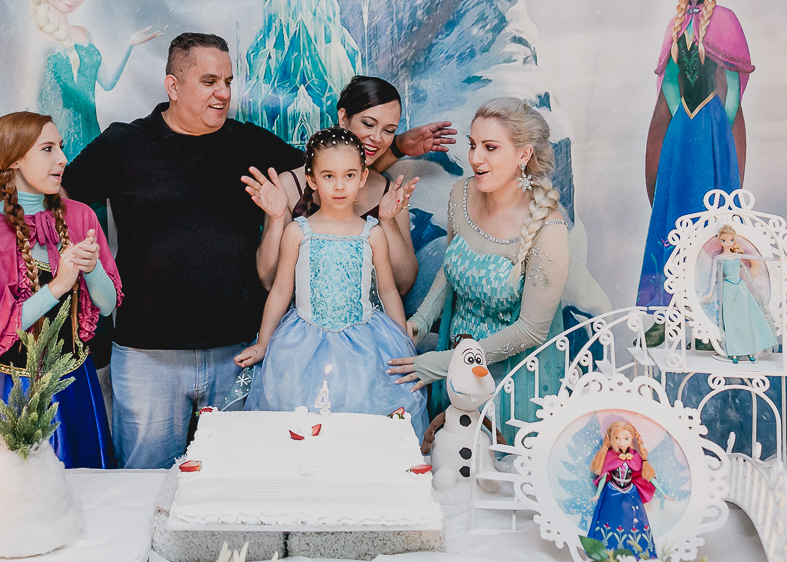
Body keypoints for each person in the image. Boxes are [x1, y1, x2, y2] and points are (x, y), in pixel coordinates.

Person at [0, 33, 455, 469]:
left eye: (229, 82)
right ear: (173, 85)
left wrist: (393, 149)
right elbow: (42, 197)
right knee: (142, 485)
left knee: (239, 481)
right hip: (147, 357)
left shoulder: (249, 142)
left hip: (237, 353)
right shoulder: (124, 144)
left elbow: (333, 177)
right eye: (209, 81)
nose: (223, 93)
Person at [0, 112, 122, 469]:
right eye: (47, 149)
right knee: (21, 488)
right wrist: (60, 285)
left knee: (87, 489)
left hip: (75, 387)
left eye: (60, 147)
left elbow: (108, 305)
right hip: (13, 392)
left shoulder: (80, 216)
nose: (62, 159)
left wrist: (92, 266)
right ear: (15, 159)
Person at [387, 97, 570, 429]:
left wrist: (445, 363)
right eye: (473, 145)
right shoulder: (461, 194)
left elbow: (531, 330)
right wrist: (420, 322)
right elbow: (453, 269)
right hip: (454, 368)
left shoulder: (549, 229)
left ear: (524, 154)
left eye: (490, 147)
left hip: (509, 383)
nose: (474, 158)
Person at [234, 128, 429, 440]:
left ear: (362, 178)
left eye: (349, 175)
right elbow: (281, 291)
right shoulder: (297, 232)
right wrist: (263, 344)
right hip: (302, 345)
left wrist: (402, 340)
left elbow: (388, 290)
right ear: (312, 180)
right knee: (302, 426)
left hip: (364, 344)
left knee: (359, 428)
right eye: (328, 176)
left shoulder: (373, 233)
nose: (340, 186)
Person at [639, 0, 754, 309]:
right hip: (681, 135)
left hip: (712, 135)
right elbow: (669, 83)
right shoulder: (675, 25)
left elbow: (734, 86)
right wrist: (680, 123)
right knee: (676, 212)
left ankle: (709, 307)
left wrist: (716, 126)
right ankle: (667, 307)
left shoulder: (726, 20)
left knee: (711, 213)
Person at [243, 76, 427, 296]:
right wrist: (276, 219)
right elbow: (269, 281)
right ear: (343, 118)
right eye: (368, 124)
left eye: (389, 130)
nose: (377, 138)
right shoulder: (289, 185)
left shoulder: (391, 193)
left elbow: (403, 285)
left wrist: (388, 221)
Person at [30, 0, 162, 158]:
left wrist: (129, 45)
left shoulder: (84, 34)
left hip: (90, 129)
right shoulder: (40, 41)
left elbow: (107, 82)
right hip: (59, 135)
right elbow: (35, 102)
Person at [588, 421, 657, 559]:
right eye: (617, 438)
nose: (621, 442)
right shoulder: (610, 456)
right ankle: (607, 551)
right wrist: (598, 494)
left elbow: (648, 476)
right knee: (609, 518)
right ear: (612, 439)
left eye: (626, 438)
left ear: (632, 438)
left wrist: (663, 492)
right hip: (612, 491)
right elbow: (604, 475)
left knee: (634, 520)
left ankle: (636, 552)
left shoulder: (635, 456)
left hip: (630, 492)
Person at [707, 224, 777, 363]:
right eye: (724, 240)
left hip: (741, 288)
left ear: (734, 240)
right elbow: (713, 277)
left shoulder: (737, 256)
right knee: (731, 321)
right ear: (720, 241)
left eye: (731, 240)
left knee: (746, 319)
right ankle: (734, 352)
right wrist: (709, 293)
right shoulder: (719, 259)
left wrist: (777, 259)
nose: (728, 243)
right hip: (728, 289)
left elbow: (758, 258)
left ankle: (750, 350)